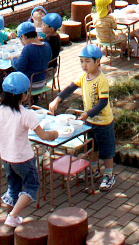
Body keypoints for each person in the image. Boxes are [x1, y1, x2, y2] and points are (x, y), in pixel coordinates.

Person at [0, 72, 59, 227]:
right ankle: (12, 215)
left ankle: (11, 216)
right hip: (23, 158)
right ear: (23, 95)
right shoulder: (27, 114)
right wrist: (54, 134)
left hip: (6, 158)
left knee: (13, 186)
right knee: (32, 187)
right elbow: (43, 135)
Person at [49, 45, 117, 191]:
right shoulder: (83, 77)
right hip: (90, 122)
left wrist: (87, 114)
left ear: (97, 61)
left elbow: (103, 102)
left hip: (103, 122)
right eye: (81, 61)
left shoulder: (101, 80)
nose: (84, 65)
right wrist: (57, 100)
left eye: (87, 62)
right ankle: (93, 170)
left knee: (107, 150)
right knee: (92, 147)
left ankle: (109, 175)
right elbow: (70, 88)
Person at [11, 22, 52, 89]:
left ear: (23, 37)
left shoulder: (28, 48)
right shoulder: (47, 45)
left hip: (30, 83)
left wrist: (13, 59)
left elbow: (19, 67)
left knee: (7, 76)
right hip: (43, 80)